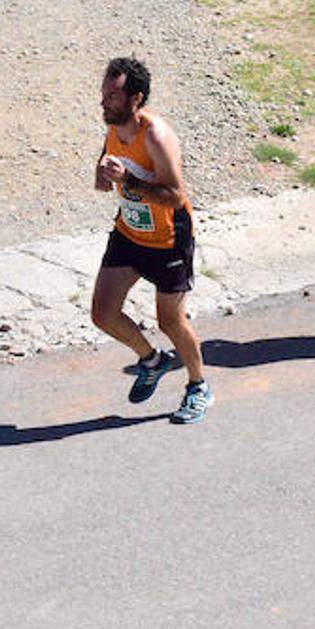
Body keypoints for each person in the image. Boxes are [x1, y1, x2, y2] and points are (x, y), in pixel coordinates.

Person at [89, 57, 211, 424]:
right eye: (103, 93)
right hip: (129, 232)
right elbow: (109, 152)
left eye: (112, 95)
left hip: (168, 238)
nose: (103, 101)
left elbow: (175, 194)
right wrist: (101, 172)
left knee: (170, 321)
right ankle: (152, 360)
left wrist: (127, 179)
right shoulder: (115, 126)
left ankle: (198, 386)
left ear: (135, 99)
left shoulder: (156, 136)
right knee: (102, 313)